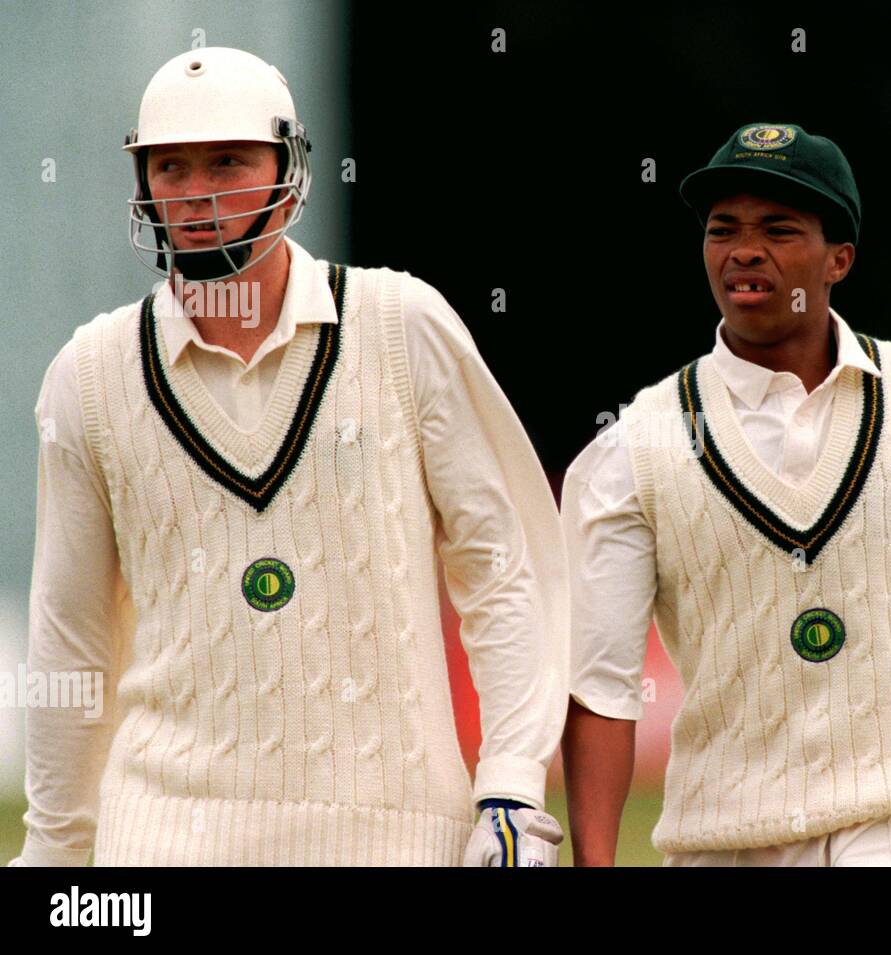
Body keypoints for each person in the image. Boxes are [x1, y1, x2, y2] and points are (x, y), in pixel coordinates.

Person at [9, 47, 566, 867]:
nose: (197, 194)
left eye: (228, 161)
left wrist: (513, 788)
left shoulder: (402, 326)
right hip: (164, 840)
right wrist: (53, 858)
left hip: (393, 837)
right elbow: (71, 639)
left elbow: (503, 570)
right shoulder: (88, 377)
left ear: (290, 169)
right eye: (171, 166)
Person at [560, 122, 891, 866]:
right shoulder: (633, 449)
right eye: (724, 230)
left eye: (778, 229)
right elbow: (604, 694)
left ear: (839, 258)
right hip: (725, 837)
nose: (745, 250)